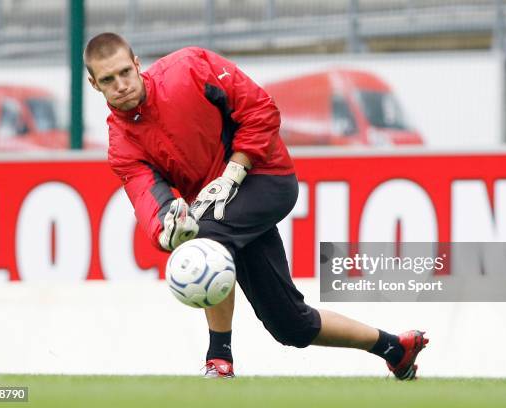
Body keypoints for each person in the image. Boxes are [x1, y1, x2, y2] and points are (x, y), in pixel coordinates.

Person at [84, 32, 428, 380]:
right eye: (108, 79)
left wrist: (235, 170)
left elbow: (260, 109)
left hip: (266, 177)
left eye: (125, 72)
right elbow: (148, 199)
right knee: (291, 326)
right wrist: (167, 231)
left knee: (206, 239)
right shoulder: (121, 145)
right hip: (221, 212)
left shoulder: (190, 67)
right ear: (94, 84)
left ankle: (219, 359)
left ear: (137, 64)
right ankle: (395, 348)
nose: (121, 85)